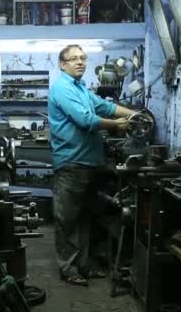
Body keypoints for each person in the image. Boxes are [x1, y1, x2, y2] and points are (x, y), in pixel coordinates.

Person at [48, 44, 139, 286]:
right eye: (74, 59)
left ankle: (84, 265)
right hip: (71, 163)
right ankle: (68, 268)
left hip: (88, 163)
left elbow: (105, 107)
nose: (80, 62)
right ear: (62, 64)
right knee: (68, 220)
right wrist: (116, 126)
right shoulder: (62, 88)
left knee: (85, 218)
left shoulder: (81, 89)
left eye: (83, 58)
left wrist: (134, 115)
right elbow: (85, 120)